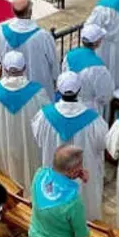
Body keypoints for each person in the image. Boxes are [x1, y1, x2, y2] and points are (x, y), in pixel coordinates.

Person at [31, 72, 110, 222]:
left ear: (58, 90)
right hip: (82, 175)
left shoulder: (44, 115)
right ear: (79, 90)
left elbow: (39, 139)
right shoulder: (93, 119)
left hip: (55, 172)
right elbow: (103, 143)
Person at [0, 51, 49, 190]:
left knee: (7, 173)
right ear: (24, 68)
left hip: (4, 142)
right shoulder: (37, 93)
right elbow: (46, 120)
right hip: (29, 143)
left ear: (5, 69)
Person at [29, 145, 91, 237]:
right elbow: (81, 236)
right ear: (73, 170)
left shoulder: (40, 174)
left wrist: (74, 175)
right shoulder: (73, 202)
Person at [0, 0, 58, 99]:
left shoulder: (2, 34)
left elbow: (1, 57)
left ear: (13, 11)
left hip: (13, 87)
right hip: (39, 88)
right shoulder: (43, 36)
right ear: (30, 11)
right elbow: (54, 62)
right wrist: (56, 79)